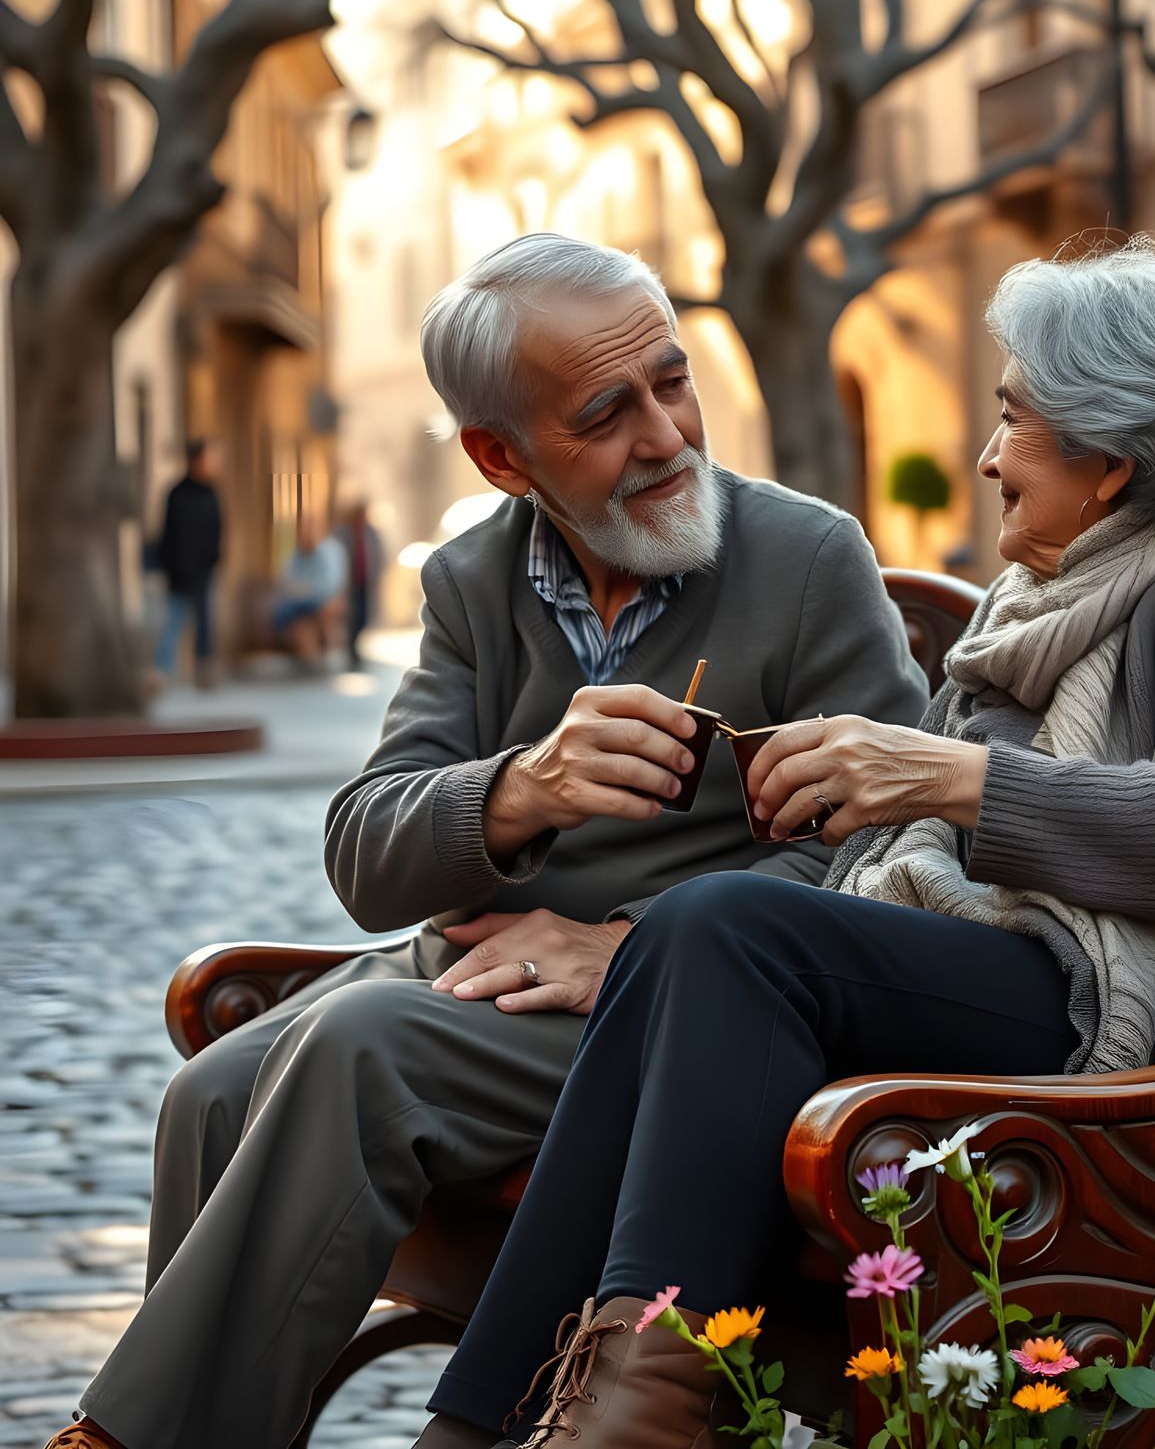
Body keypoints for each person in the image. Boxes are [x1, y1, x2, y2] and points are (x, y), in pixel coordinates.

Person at [402, 239, 1155, 1449]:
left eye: (1014, 420)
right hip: (1041, 966)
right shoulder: (1059, 586)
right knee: (693, 943)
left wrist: (944, 774)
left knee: (722, 927)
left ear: (1114, 459)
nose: (987, 454)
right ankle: (504, 1421)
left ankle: (636, 1410)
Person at [47, 235, 927, 1449]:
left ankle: (124, 1440)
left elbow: (891, 851)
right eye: (607, 412)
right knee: (211, 1088)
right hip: (480, 990)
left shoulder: (807, 558)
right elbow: (364, 853)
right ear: (500, 456)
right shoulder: (474, 579)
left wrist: (625, 944)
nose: (667, 434)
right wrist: (521, 788)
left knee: (363, 1044)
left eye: (671, 382)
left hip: (683, 1025)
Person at [151, 439, 223, 686]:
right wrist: (171, 566)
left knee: (205, 623)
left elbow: (217, 531)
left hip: (204, 571)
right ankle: (161, 672)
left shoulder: (211, 493)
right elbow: (168, 534)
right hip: (179, 572)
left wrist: (213, 560)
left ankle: (204, 671)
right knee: (173, 619)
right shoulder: (177, 493)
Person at [271, 514, 349, 667]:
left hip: (321, 601)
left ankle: (323, 653)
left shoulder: (330, 551)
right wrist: (302, 590)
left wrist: (303, 589)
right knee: (299, 624)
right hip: (300, 604)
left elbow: (329, 586)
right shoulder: (297, 555)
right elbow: (285, 581)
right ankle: (311, 660)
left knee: (325, 611)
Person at [336, 499, 383, 668]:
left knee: (363, 616)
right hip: (349, 583)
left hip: (365, 582)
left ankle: (355, 647)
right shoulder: (342, 532)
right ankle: (351, 650)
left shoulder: (371, 532)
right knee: (351, 617)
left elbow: (379, 555)